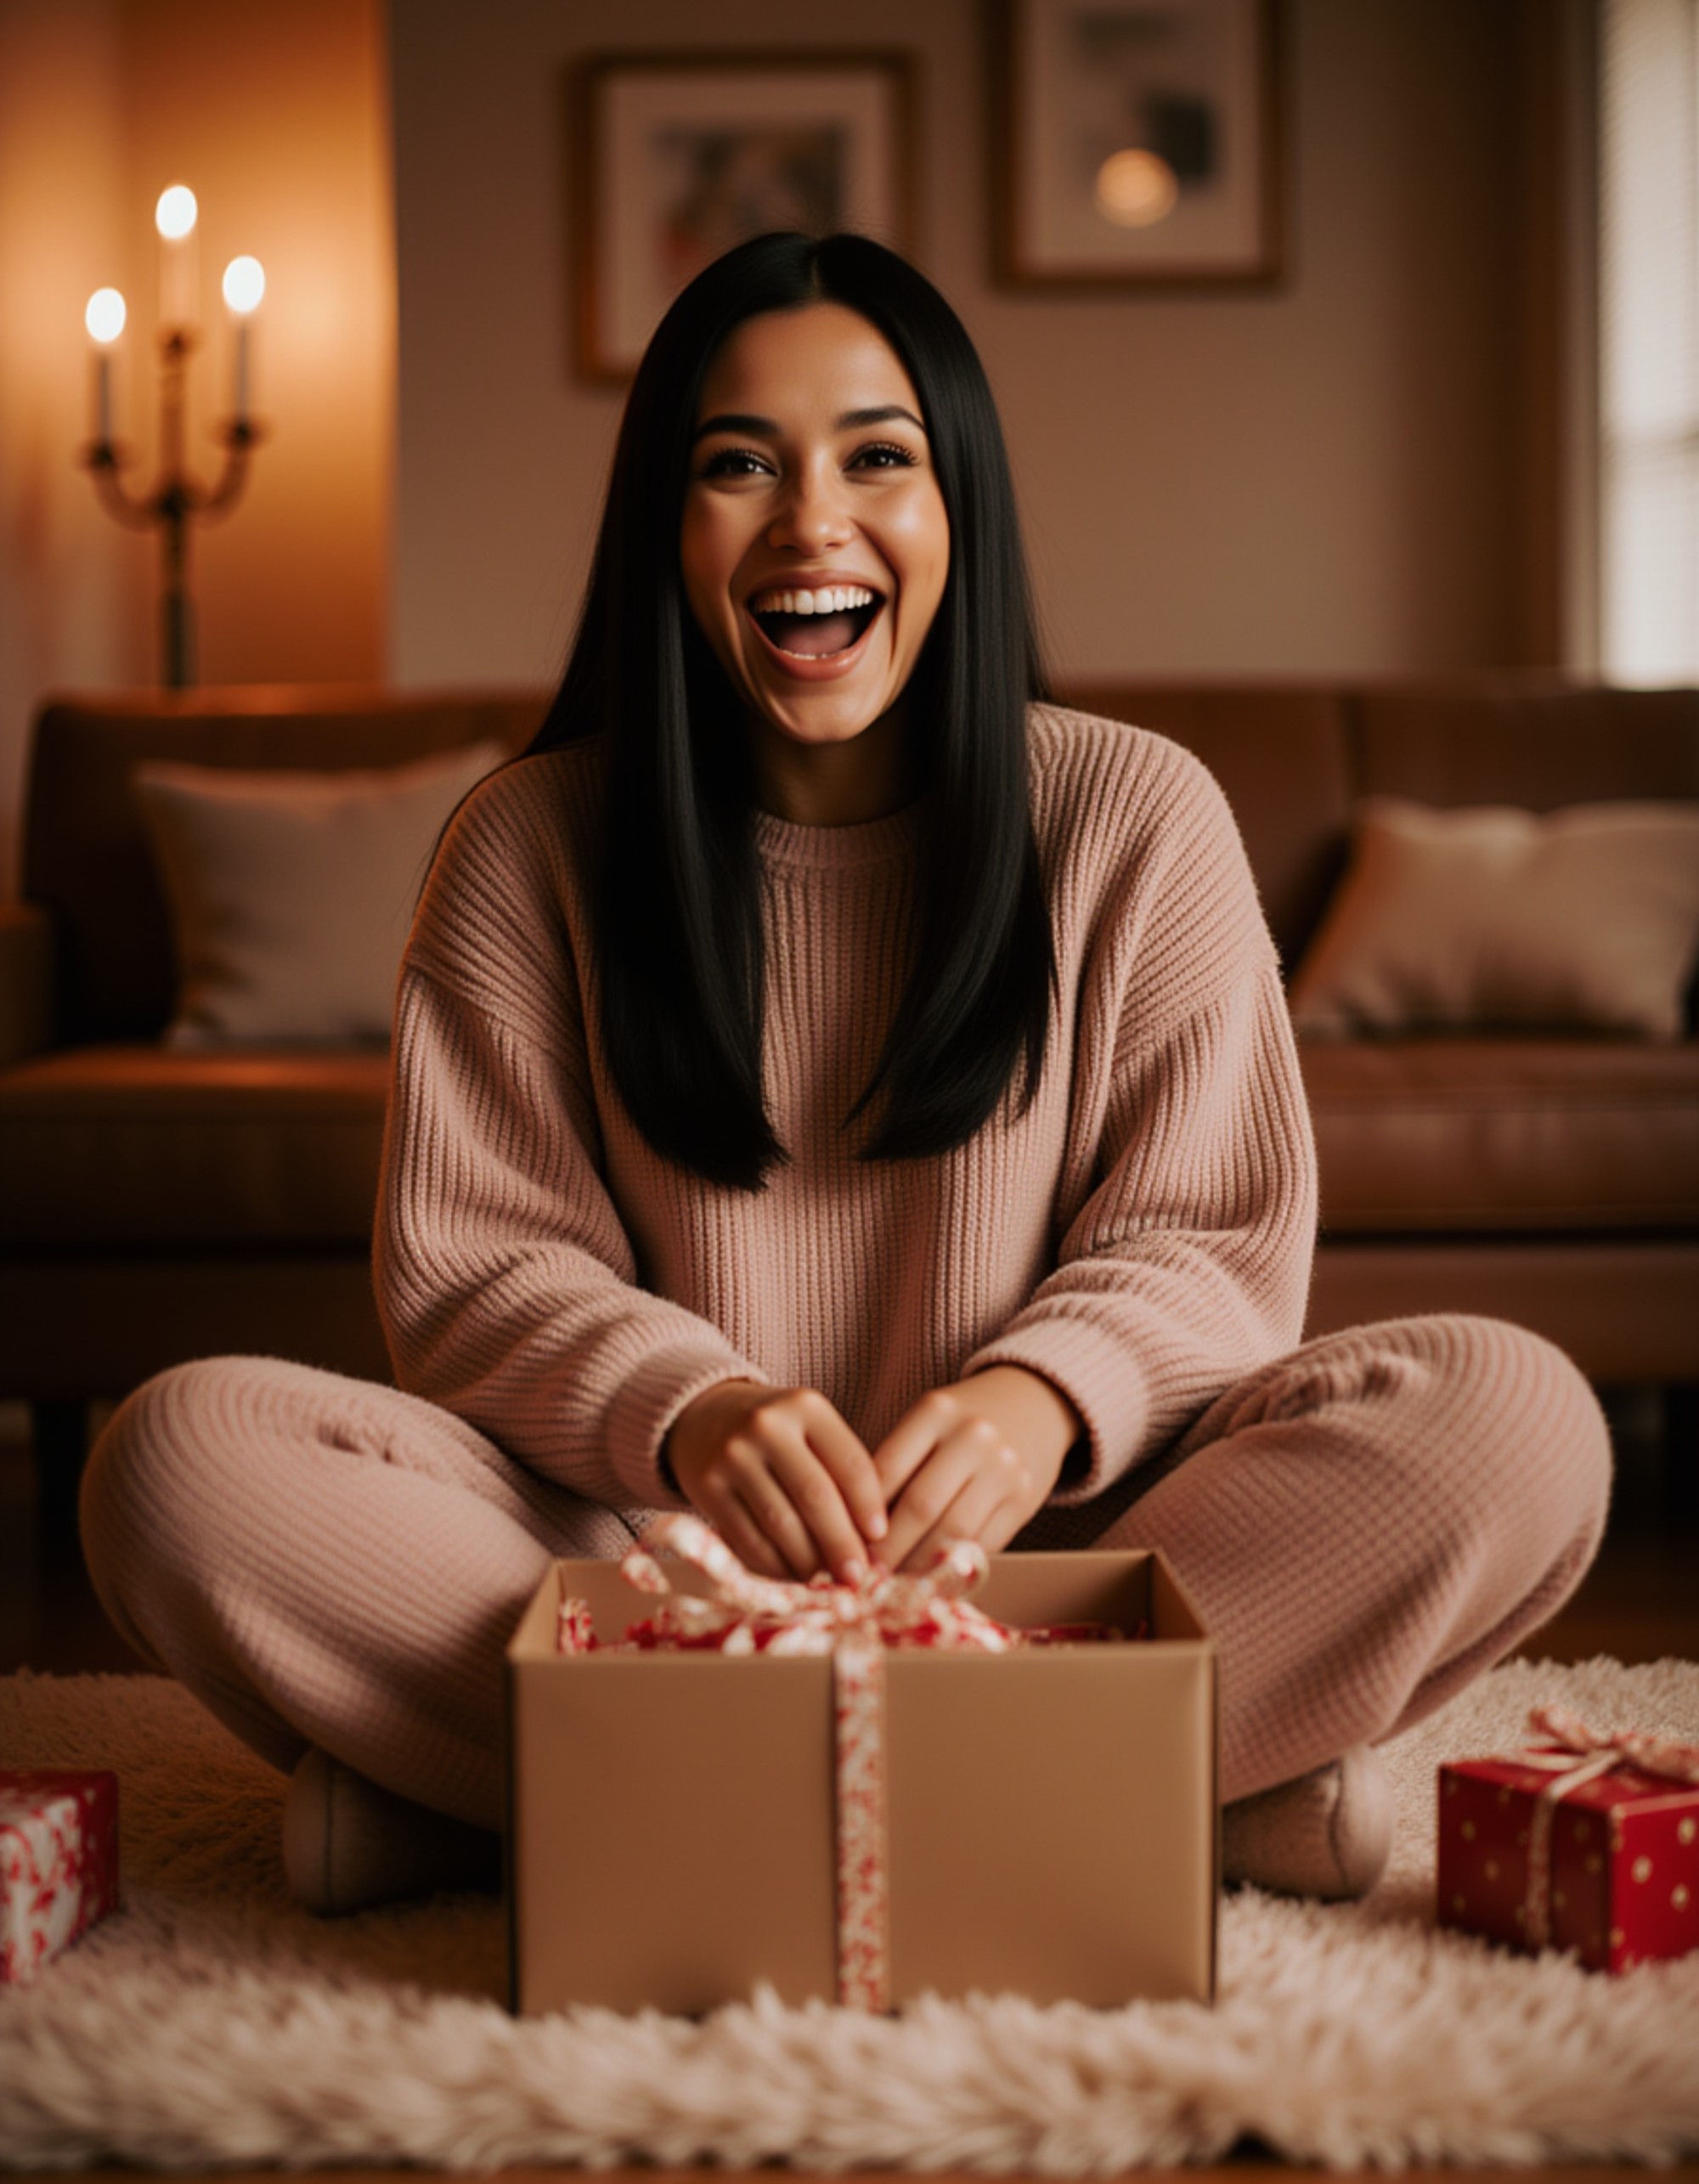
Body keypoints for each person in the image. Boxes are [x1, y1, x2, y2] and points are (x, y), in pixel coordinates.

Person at [81, 233, 1610, 1918]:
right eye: (739, 465)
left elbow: (1213, 1239)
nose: (813, 523)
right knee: (174, 1456)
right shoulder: (524, 846)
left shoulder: (1132, 811)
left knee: (1517, 1419)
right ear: (665, 530)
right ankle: (1146, 1798)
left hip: (1058, 1582)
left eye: (880, 457)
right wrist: (693, 1407)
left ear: (960, 514)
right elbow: (478, 1269)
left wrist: (1042, 1399)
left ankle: (537, 1812)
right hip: (651, 1585)